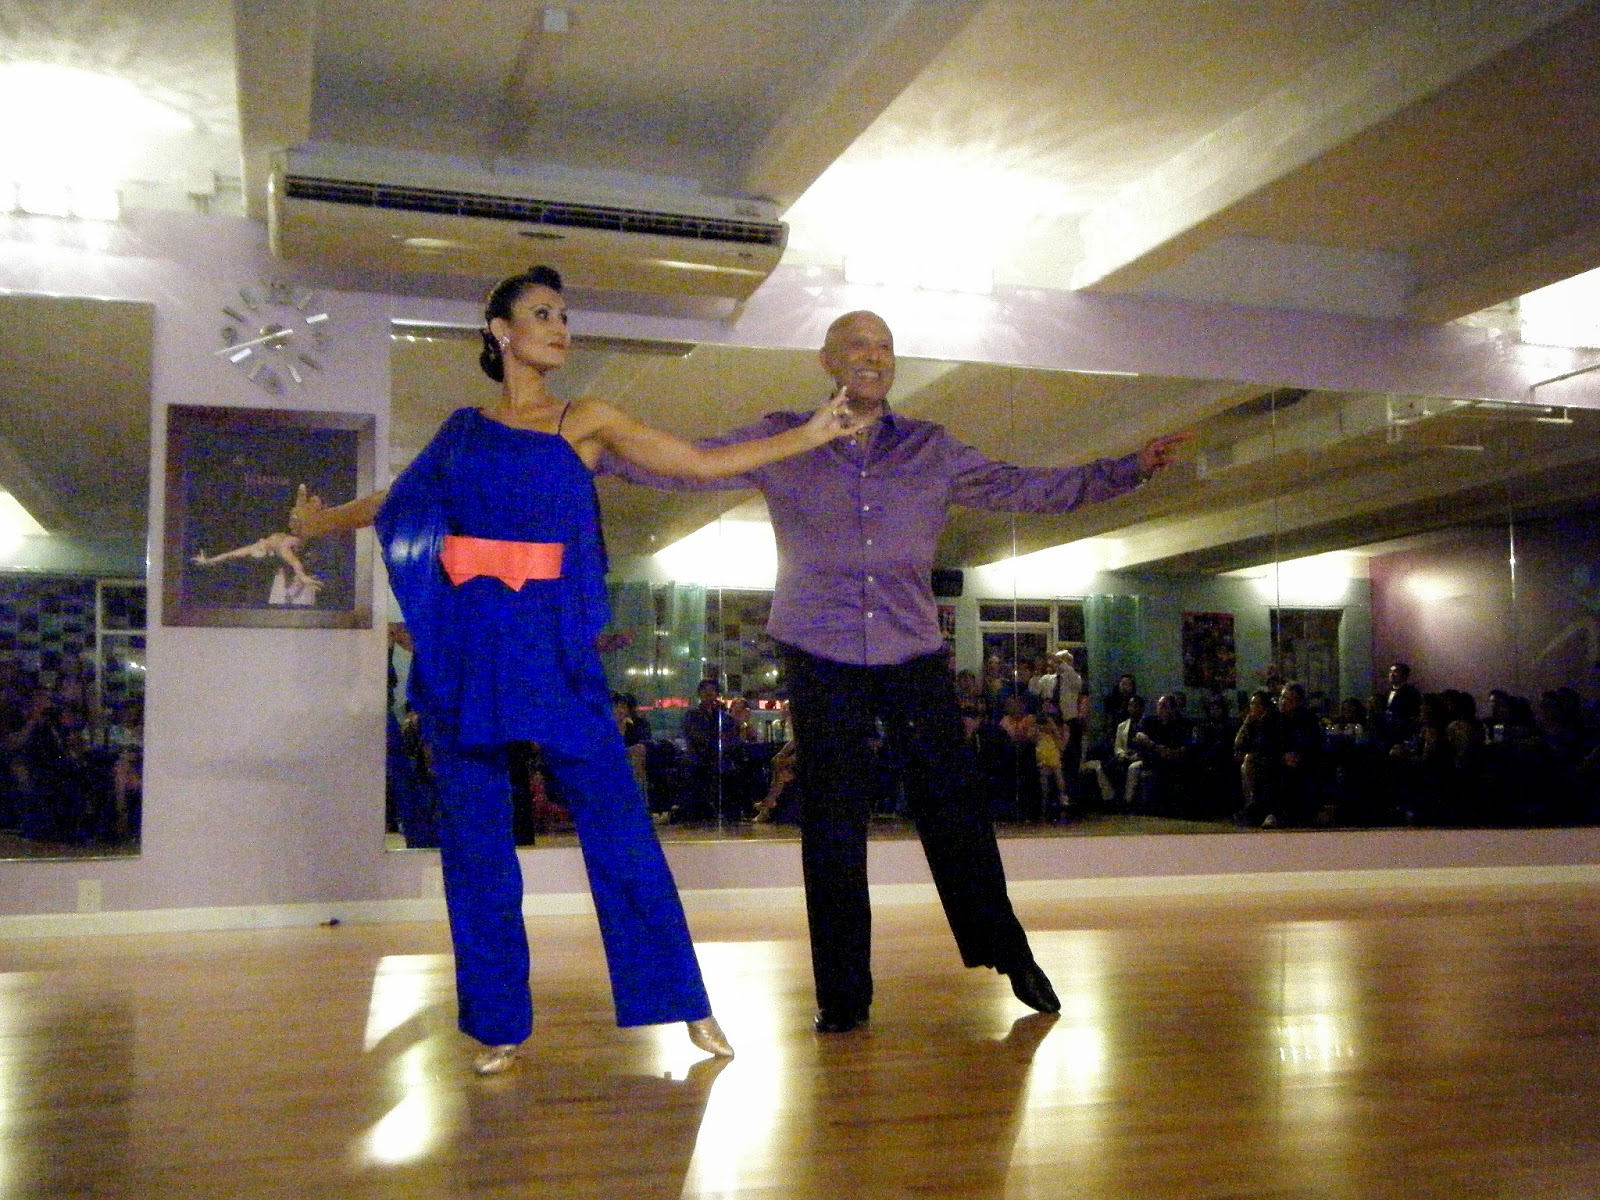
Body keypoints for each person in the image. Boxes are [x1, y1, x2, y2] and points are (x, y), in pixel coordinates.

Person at [290, 265, 868, 1073]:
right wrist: (318, 525)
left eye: (564, 314)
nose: (561, 327)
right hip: (469, 653)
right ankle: (498, 1023)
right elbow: (399, 501)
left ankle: (685, 1000)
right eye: (543, 314)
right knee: (475, 844)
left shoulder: (584, 419)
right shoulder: (462, 432)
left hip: (551, 652)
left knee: (621, 828)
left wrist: (810, 434)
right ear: (501, 332)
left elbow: (696, 464)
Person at [604, 308, 1188, 1032]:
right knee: (832, 821)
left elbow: (1027, 488)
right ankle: (843, 994)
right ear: (828, 361)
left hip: (911, 650)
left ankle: (1008, 953)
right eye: (856, 344)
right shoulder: (785, 437)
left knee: (955, 807)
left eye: (883, 346)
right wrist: (591, 453)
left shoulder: (930, 448)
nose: (872, 355)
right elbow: (688, 462)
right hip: (819, 652)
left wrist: (1129, 469)